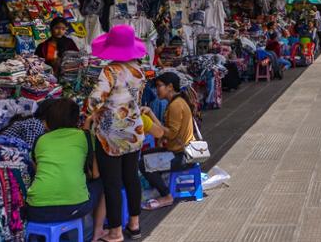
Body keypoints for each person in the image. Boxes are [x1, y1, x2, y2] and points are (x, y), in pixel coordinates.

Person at [84, 25, 147, 241]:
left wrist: (90, 114)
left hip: (110, 136)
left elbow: (94, 101)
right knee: (131, 178)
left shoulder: (110, 71)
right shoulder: (139, 70)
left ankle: (115, 232)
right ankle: (135, 224)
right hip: (134, 131)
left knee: (112, 183)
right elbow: (135, 101)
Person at [25, 99, 93, 224]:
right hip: (76, 206)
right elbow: (93, 172)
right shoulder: (84, 136)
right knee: (98, 183)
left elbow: (36, 168)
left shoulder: (41, 139)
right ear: (76, 119)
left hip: (37, 208)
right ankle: (92, 233)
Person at [140, 72, 199, 211]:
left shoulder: (175, 106)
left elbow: (171, 134)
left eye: (160, 86)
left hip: (182, 156)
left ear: (170, 87)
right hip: (180, 152)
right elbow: (168, 132)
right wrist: (150, 113)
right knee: (146, 154)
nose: (157, 89)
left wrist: (150, 117)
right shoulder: (177, 102)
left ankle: (166, 195)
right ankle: (160, 186)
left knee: (144, 163)